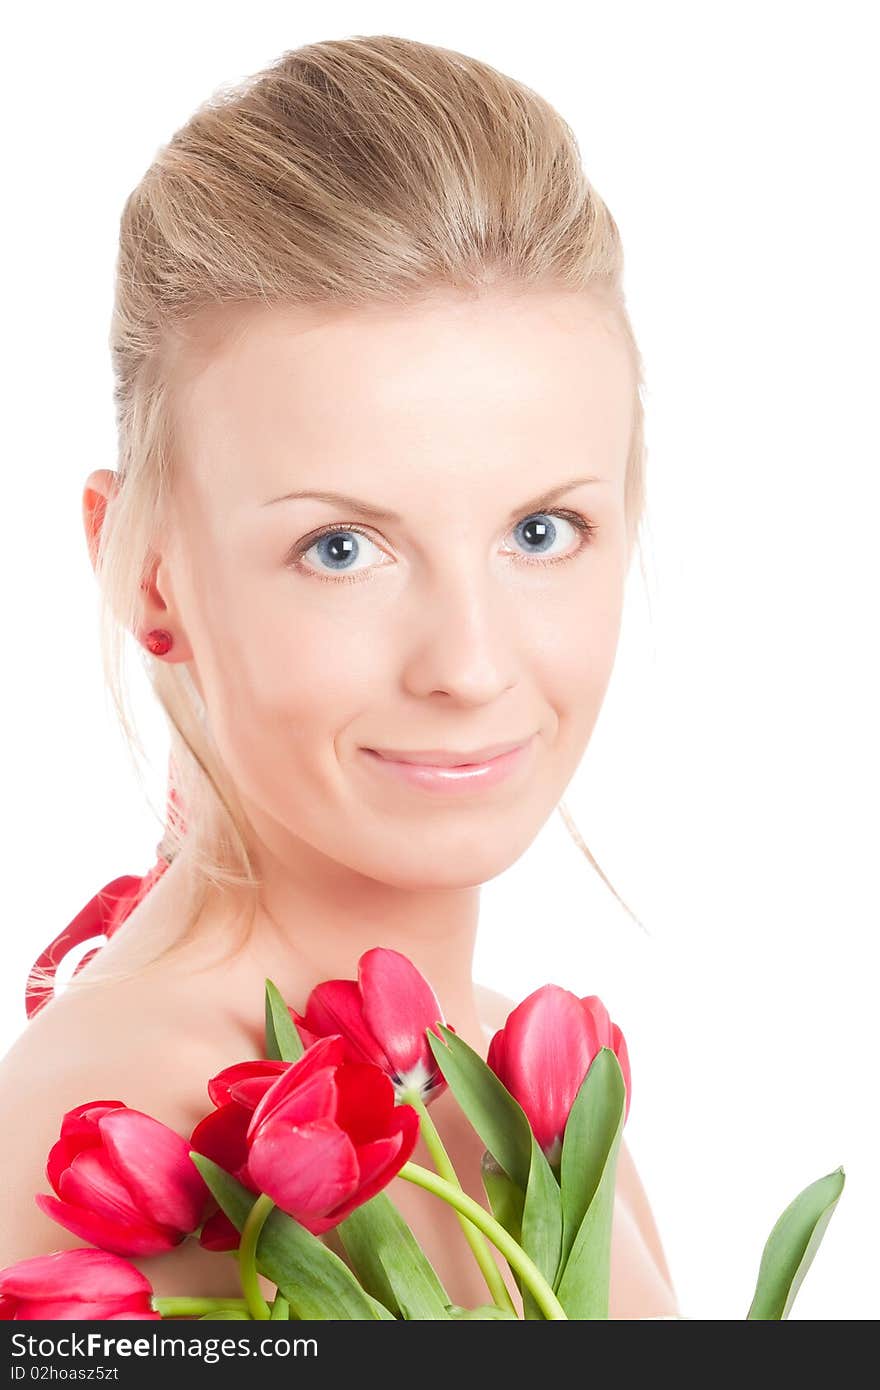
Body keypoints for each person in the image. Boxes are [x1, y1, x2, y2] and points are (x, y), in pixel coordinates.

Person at [0, 34, 678, 1319]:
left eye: (541, 532)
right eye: (342, 547)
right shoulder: (131, 1127)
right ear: (146, 573)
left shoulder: (521, 1087)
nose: (469, 665)